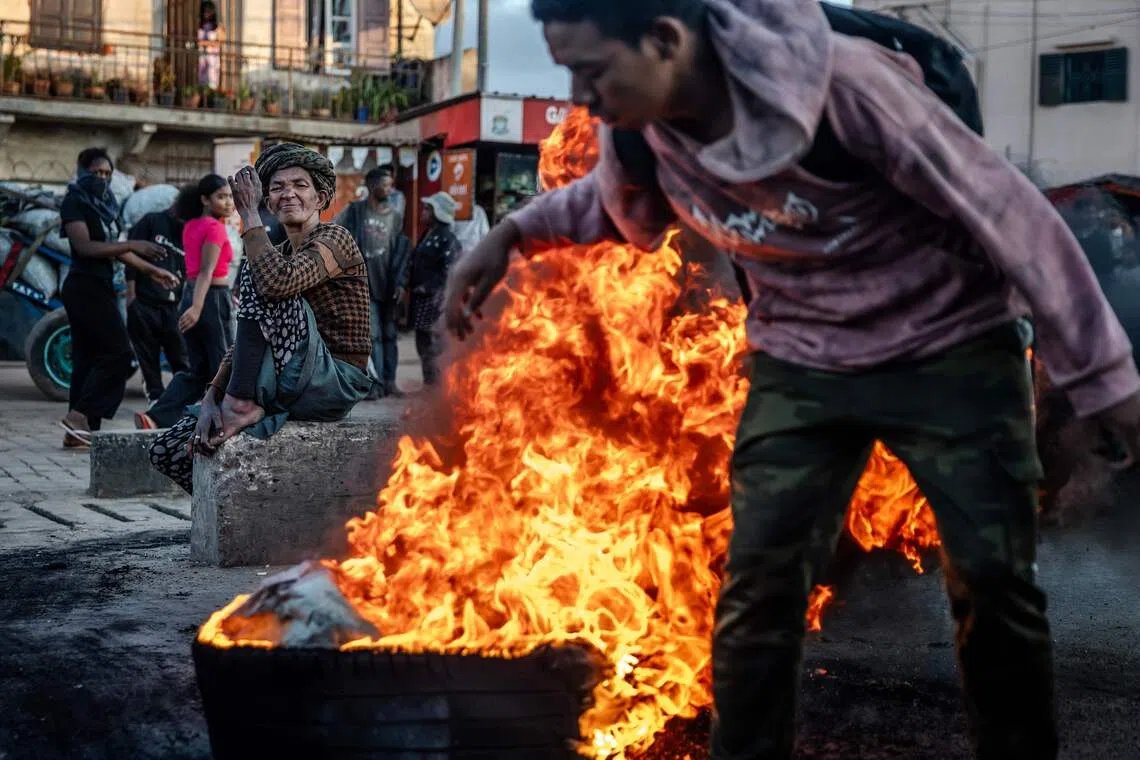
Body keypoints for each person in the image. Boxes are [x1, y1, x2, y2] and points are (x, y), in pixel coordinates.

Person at [442, 1, 1140, 758]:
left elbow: (1011, 216)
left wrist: (1104, 378)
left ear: (667, 40)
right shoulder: (640, 134)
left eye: (592, 71)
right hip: (803, 368)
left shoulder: (850, 89)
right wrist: (510, 235)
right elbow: (608, 206)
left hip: (949, 353)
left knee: (995, 587)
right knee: (759, 592)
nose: (581, 97)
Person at [148, 143, 372, 494]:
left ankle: (242, 404)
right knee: (168, 450)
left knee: (261, 274)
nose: (288, 194)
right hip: (288, 375)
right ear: (268, 200)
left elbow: (276, 283)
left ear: (321, 198)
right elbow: (247, 338)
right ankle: (243, 512)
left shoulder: (335, 238)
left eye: (300, 185)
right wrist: (212, 394)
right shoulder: (275, 253)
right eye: (278, 188)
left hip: (334, 379)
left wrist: (249, 215)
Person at [58, 148, 177, 448]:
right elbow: (86, 247)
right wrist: (135, 243)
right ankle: (80, 415)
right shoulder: (74, 201)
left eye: (107, 174)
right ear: (82, 172)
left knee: (88, 359)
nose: (102, 179)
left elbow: (115, 249)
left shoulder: (105, 204)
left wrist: (152, 271)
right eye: (97, 173)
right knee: (119, 356)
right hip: (83, 286)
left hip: (102, 286)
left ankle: (81, 432)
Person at [137, 174, 235, 429]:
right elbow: (206, 271)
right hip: (210, 299)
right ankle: (222, 422)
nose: (228, 203)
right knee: (223, 365)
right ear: (204, 199)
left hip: (190, 295)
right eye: (221, 197)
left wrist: (192, 305)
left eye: (230, 197)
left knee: (198, 370)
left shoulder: (191, 224)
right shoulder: (215, 227)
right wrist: (198, 308)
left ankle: (155, 417)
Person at [336, 167, 410, 398]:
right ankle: (374, 384)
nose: (389, 190)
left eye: (390, 185)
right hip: (363, 286)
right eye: (384, 185)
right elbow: (338, 237)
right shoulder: (356, 211)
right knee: (373, 337)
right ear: (371, 186)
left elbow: (400, 251)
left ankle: (390, 382)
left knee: (390, 335)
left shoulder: (395, 215)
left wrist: (400, 283)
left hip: (387, 285)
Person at [125, 185, 195, 404]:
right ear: (175, 208)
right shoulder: (152, 221)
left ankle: (182, 400)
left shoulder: (192, 230)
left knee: (180, 356)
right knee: (148, 357)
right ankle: (155, 399)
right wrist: (131, 297)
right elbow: (129, 256)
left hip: (174, 306)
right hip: (144, 301)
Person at [409, 192, 461, 387]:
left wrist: (428, 287)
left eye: (427, 209)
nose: (423, 212)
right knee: (423, 344)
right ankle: (429, 384)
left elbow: (449, 273)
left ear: (437, 213)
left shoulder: (447, 239)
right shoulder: (429, 235)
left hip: (435, 303)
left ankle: (439, 387)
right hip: (422, 301)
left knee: (434, 346)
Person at [197, 0, 224, 90]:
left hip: (212, 56)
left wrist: (204, 43)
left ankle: (211, 95)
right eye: (204, 11)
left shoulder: (217, 26)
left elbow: (219, 42)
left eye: (208, 11)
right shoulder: (200, 25)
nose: (206, 14)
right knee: (201, 77)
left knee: (212, 78)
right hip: (201, 56)